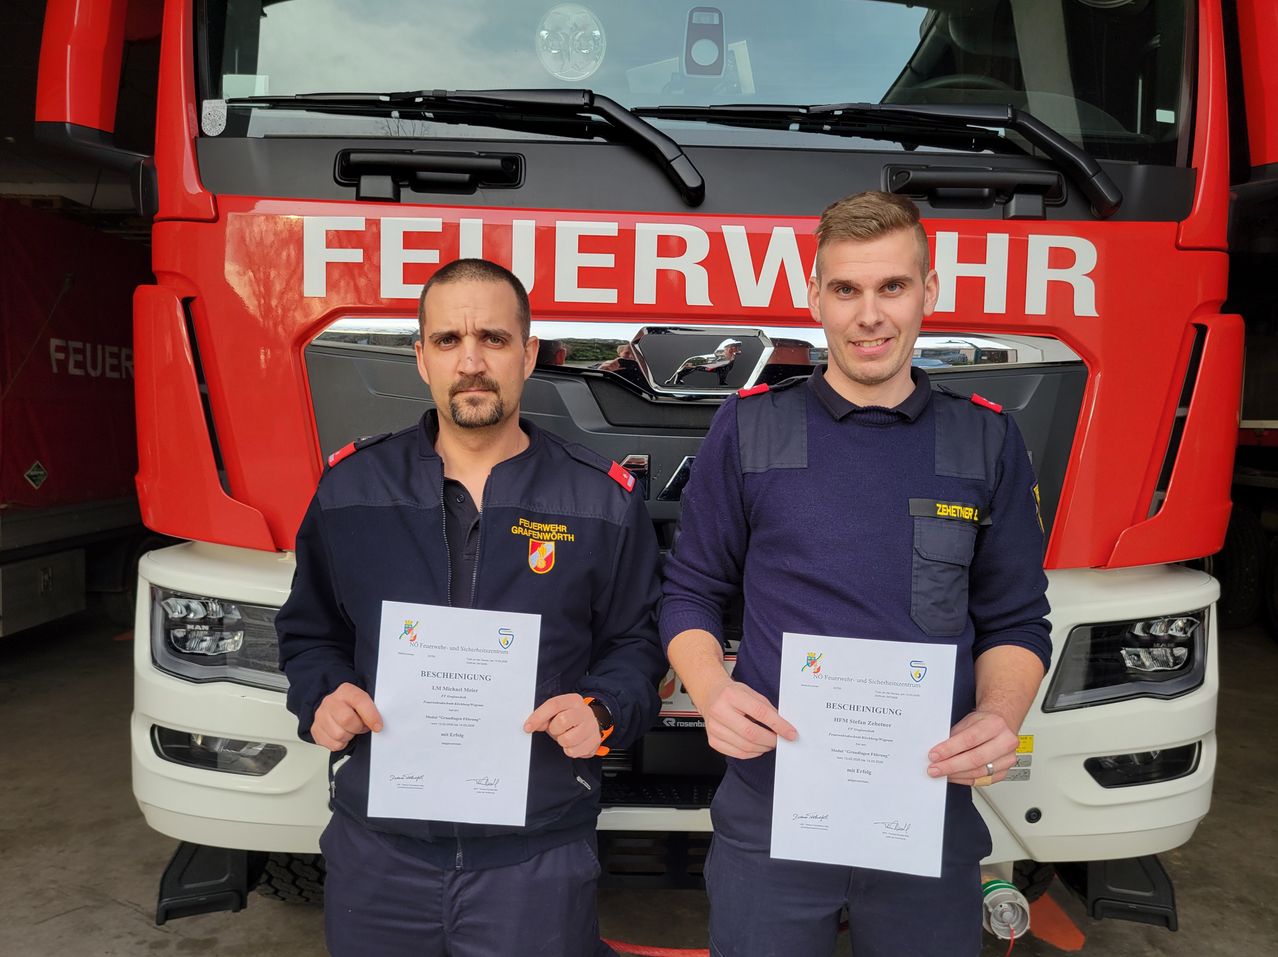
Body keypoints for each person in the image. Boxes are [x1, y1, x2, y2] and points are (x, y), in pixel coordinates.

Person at [659, 191, 1051, 956]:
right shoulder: (750, 428)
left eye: (892, 288)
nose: (869, 314)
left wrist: (1002, 715)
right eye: (846, 290)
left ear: (927, 292)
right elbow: (690, 592)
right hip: (772, 817)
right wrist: (712, 690)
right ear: (815, 298)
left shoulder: (985, 441)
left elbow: (1015, 620)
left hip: (927, 816)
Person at [277, 258, 665, 957]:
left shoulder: (601, 501)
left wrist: (604, 708)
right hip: (380, 857)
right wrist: (321, 696)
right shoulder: (351, 490)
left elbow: (639, 645)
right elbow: (310, 634)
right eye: (449, 341)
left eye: (493, 337)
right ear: (421, 356)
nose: (472, 361)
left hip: (535, 857)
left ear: (529, 353)